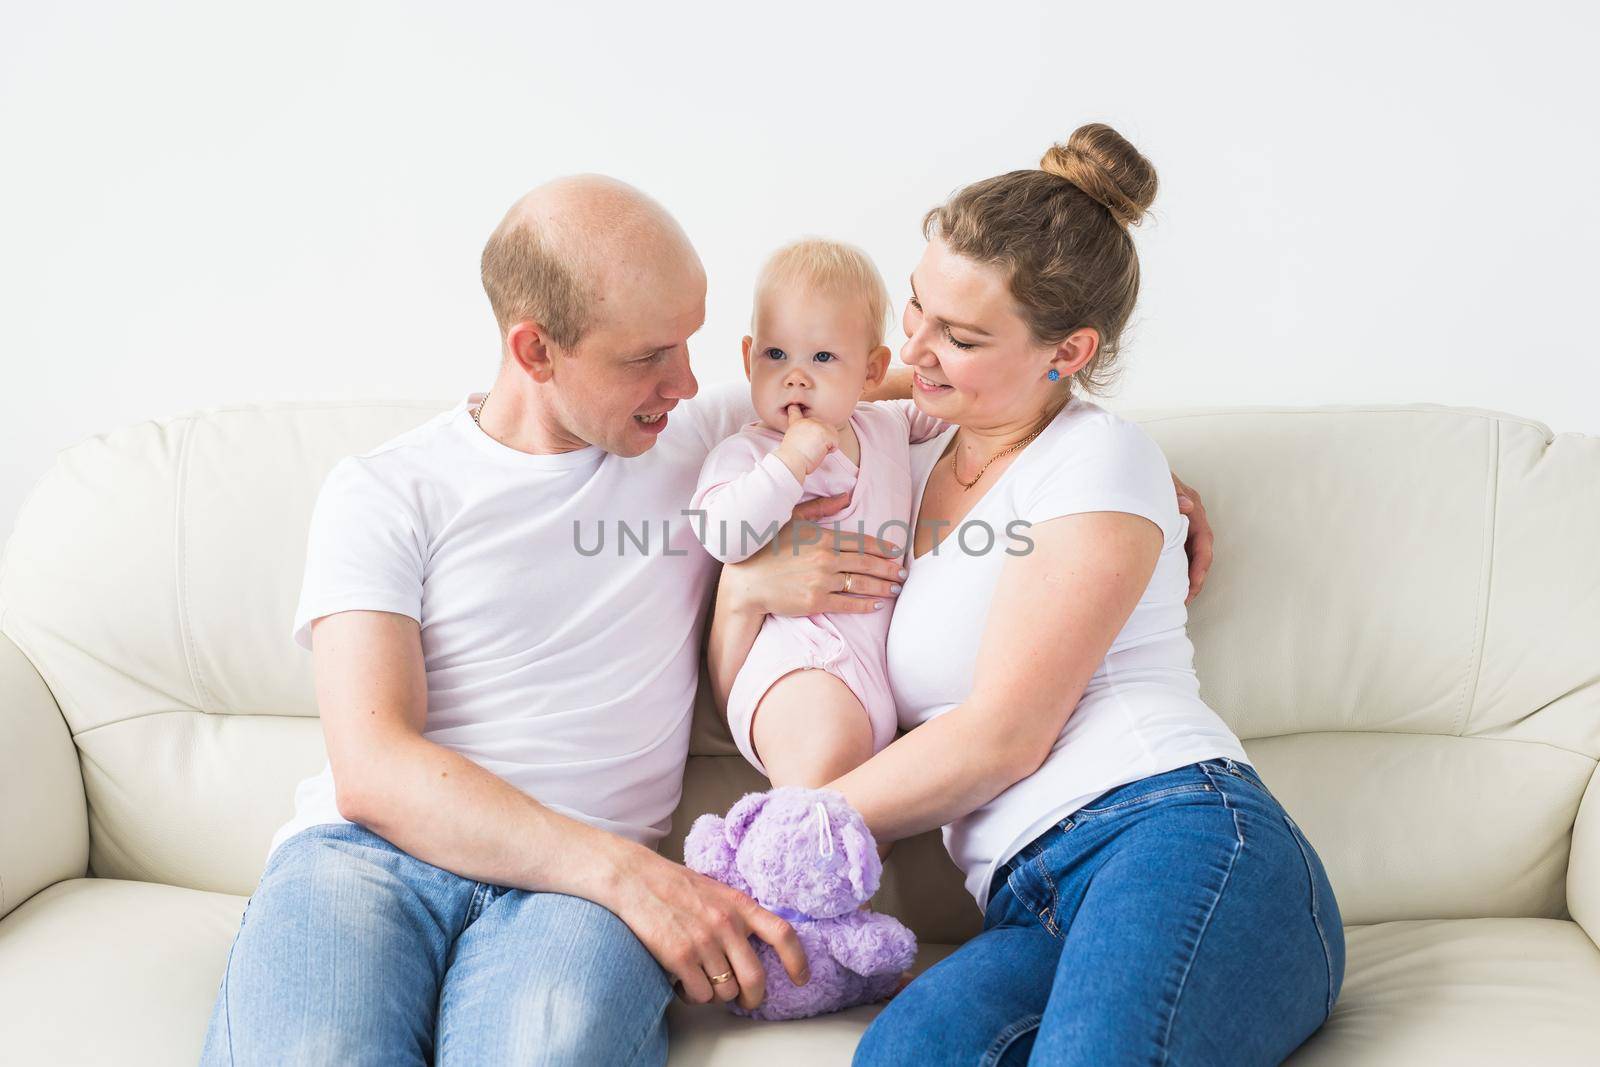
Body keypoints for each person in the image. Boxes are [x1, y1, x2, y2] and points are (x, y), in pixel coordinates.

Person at [197, 171, 1218, 1066]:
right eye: (651, 356)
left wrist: (1091, 458)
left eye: (694, 346)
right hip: (375, 857)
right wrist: (635, 878)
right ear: (534, 349)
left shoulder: (698, 434)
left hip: (577, 903)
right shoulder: (386, 491)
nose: (691, 385)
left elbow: (885, 377)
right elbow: (374, 764)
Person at [717, 124, 1345, 1066]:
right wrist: (744, 583)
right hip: (1028, 902)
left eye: (960, 338)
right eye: (917, 307)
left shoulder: (1100, 457)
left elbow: (1004, 735)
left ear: (1069, 350)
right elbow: (779, 377)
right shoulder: (900, 446)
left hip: (1175, 835)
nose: (914, 350)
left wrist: (784, 841)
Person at [691, 238, 948, 789]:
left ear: (873, 370)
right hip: (794, 661)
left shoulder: (887, 425)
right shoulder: (748, 453)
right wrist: (792, 460)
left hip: (872, 678)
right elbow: (724, 536)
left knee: (863, 815)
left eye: (824, 358)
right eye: (775, 355)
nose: (796, 376)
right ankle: (776, 851)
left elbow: (971, 412)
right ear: (747, 358)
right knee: (820, 765)